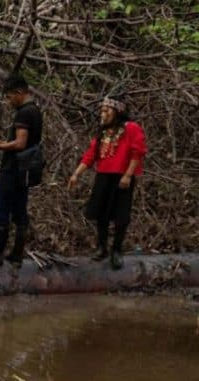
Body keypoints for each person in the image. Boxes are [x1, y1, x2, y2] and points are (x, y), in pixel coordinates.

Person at [67, 95, 147, 270]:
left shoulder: (131, 128)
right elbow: (90, 155)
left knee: (121, 216)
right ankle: (102, 247)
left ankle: (116, 250)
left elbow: (137, 152)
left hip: (122, 177)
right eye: (102, 111)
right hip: (103, 176)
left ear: (117, 111)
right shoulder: (103, 132)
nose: (103, 114)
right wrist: (76, 174)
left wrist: (127, 175)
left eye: (106, 110)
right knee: (101, 214)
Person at [0, 74, 43, 267]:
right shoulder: (36, 111)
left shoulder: (24, 113)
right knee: (20, 210)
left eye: (9, 96)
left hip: (13, 169)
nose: (8, 101)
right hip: (25, 171)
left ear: (19, 92)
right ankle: (16, 254)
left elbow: (21, 143)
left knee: (1, 209)